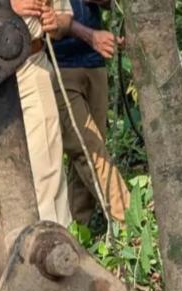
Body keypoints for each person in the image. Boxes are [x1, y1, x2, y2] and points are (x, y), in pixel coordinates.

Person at [0, 0, 74, 226]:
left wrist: (55, 23)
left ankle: (54, 245)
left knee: (45, 172)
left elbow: (64, 19)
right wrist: (3, 7)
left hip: (30, 65)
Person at [51, 0, 129, 225]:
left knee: (94, 146)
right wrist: (90, 35)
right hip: (58, 64)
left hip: (94, 62)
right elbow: (48, 16)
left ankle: (78, 228)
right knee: (88, 148)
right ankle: (131, 222)